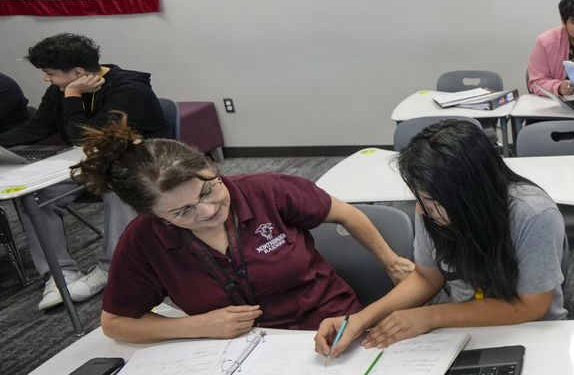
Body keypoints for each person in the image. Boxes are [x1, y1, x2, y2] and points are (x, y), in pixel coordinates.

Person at [70, 114, 413, 343]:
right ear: (152, 215)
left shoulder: (267, 190)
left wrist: (390, 261)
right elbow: (115, 323)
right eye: (183, 211)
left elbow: (347, 214)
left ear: (211, 167)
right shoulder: (144, 240)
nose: (207, 211)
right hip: (234, 350)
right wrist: (196, 326)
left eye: (209, 189)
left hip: (328, 326)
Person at [316, 120, 565, 358]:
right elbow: (426, 277)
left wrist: (431, 316)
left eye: (431, 202)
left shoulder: (533, 215)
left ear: (469, 196)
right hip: (462, 331)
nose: (422, 211)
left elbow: (533, 307)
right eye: (420, 199)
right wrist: (361, 319)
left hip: (531, 333)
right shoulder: (431, 209)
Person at [1, 33, 170, 311]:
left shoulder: (129, 89)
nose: (46, 79)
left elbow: (84, 137)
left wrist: (72, 95)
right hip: (92, 163)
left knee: (120, 186)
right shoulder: (60, 90)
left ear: (78, 73)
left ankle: (111, 268)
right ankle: (60, 274)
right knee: (34, 195)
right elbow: (38, 127)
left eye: (50, 73)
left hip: (142, 162)